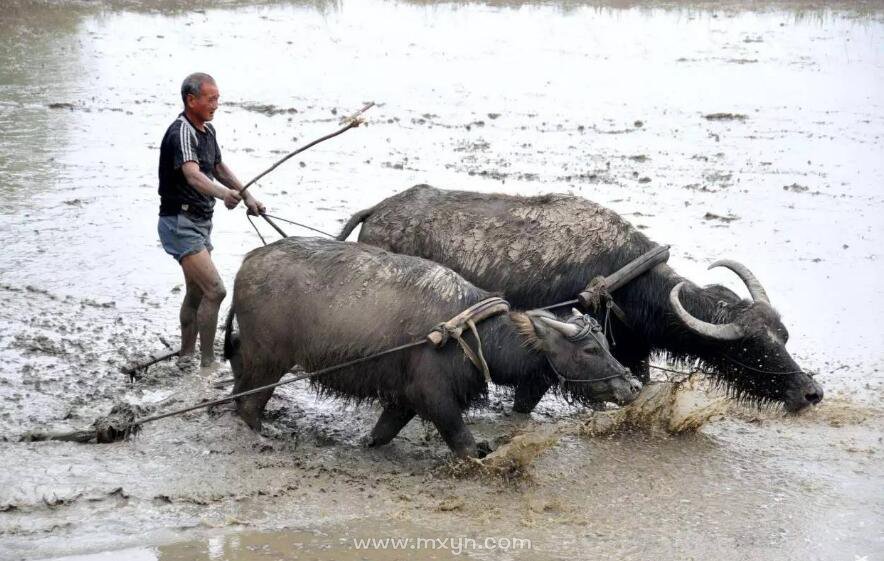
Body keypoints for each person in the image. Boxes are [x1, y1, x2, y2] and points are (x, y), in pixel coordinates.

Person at [157, 72, 265, 370]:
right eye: (210, 99)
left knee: (196, 291)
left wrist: (247, 196)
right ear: (191, 100)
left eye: (217, 98)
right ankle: (207, 364)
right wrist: (223, 194)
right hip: (179, 222)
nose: (216, 104)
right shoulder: (181, 132)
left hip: (200, 221)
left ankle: (186, 356)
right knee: (215, 290)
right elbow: (192, 174)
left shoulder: (206, 131)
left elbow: (217, 166)